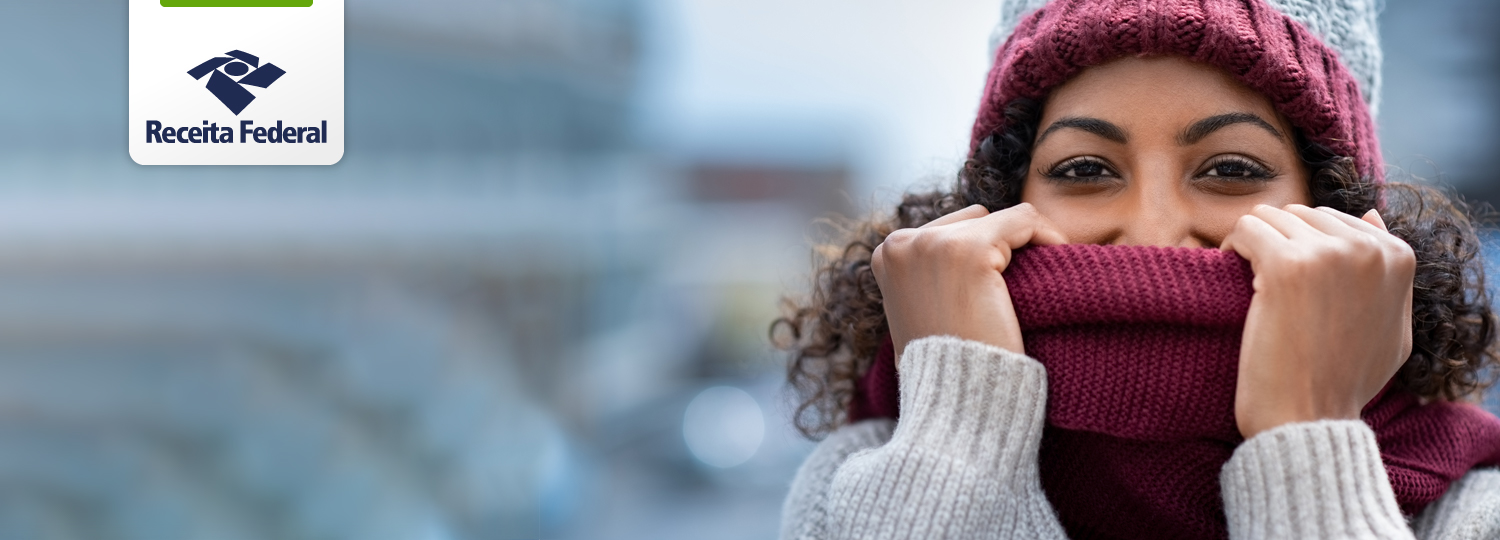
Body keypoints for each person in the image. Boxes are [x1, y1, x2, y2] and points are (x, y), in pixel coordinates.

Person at [771, 0, 1500, 538]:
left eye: (1230, 169)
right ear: (1002, 203)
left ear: (1332, 210)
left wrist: (1308, 439)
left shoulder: (1473, 514)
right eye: (1085, 169)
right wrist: (958, 430)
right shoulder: (854, 486)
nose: (1154, 233)